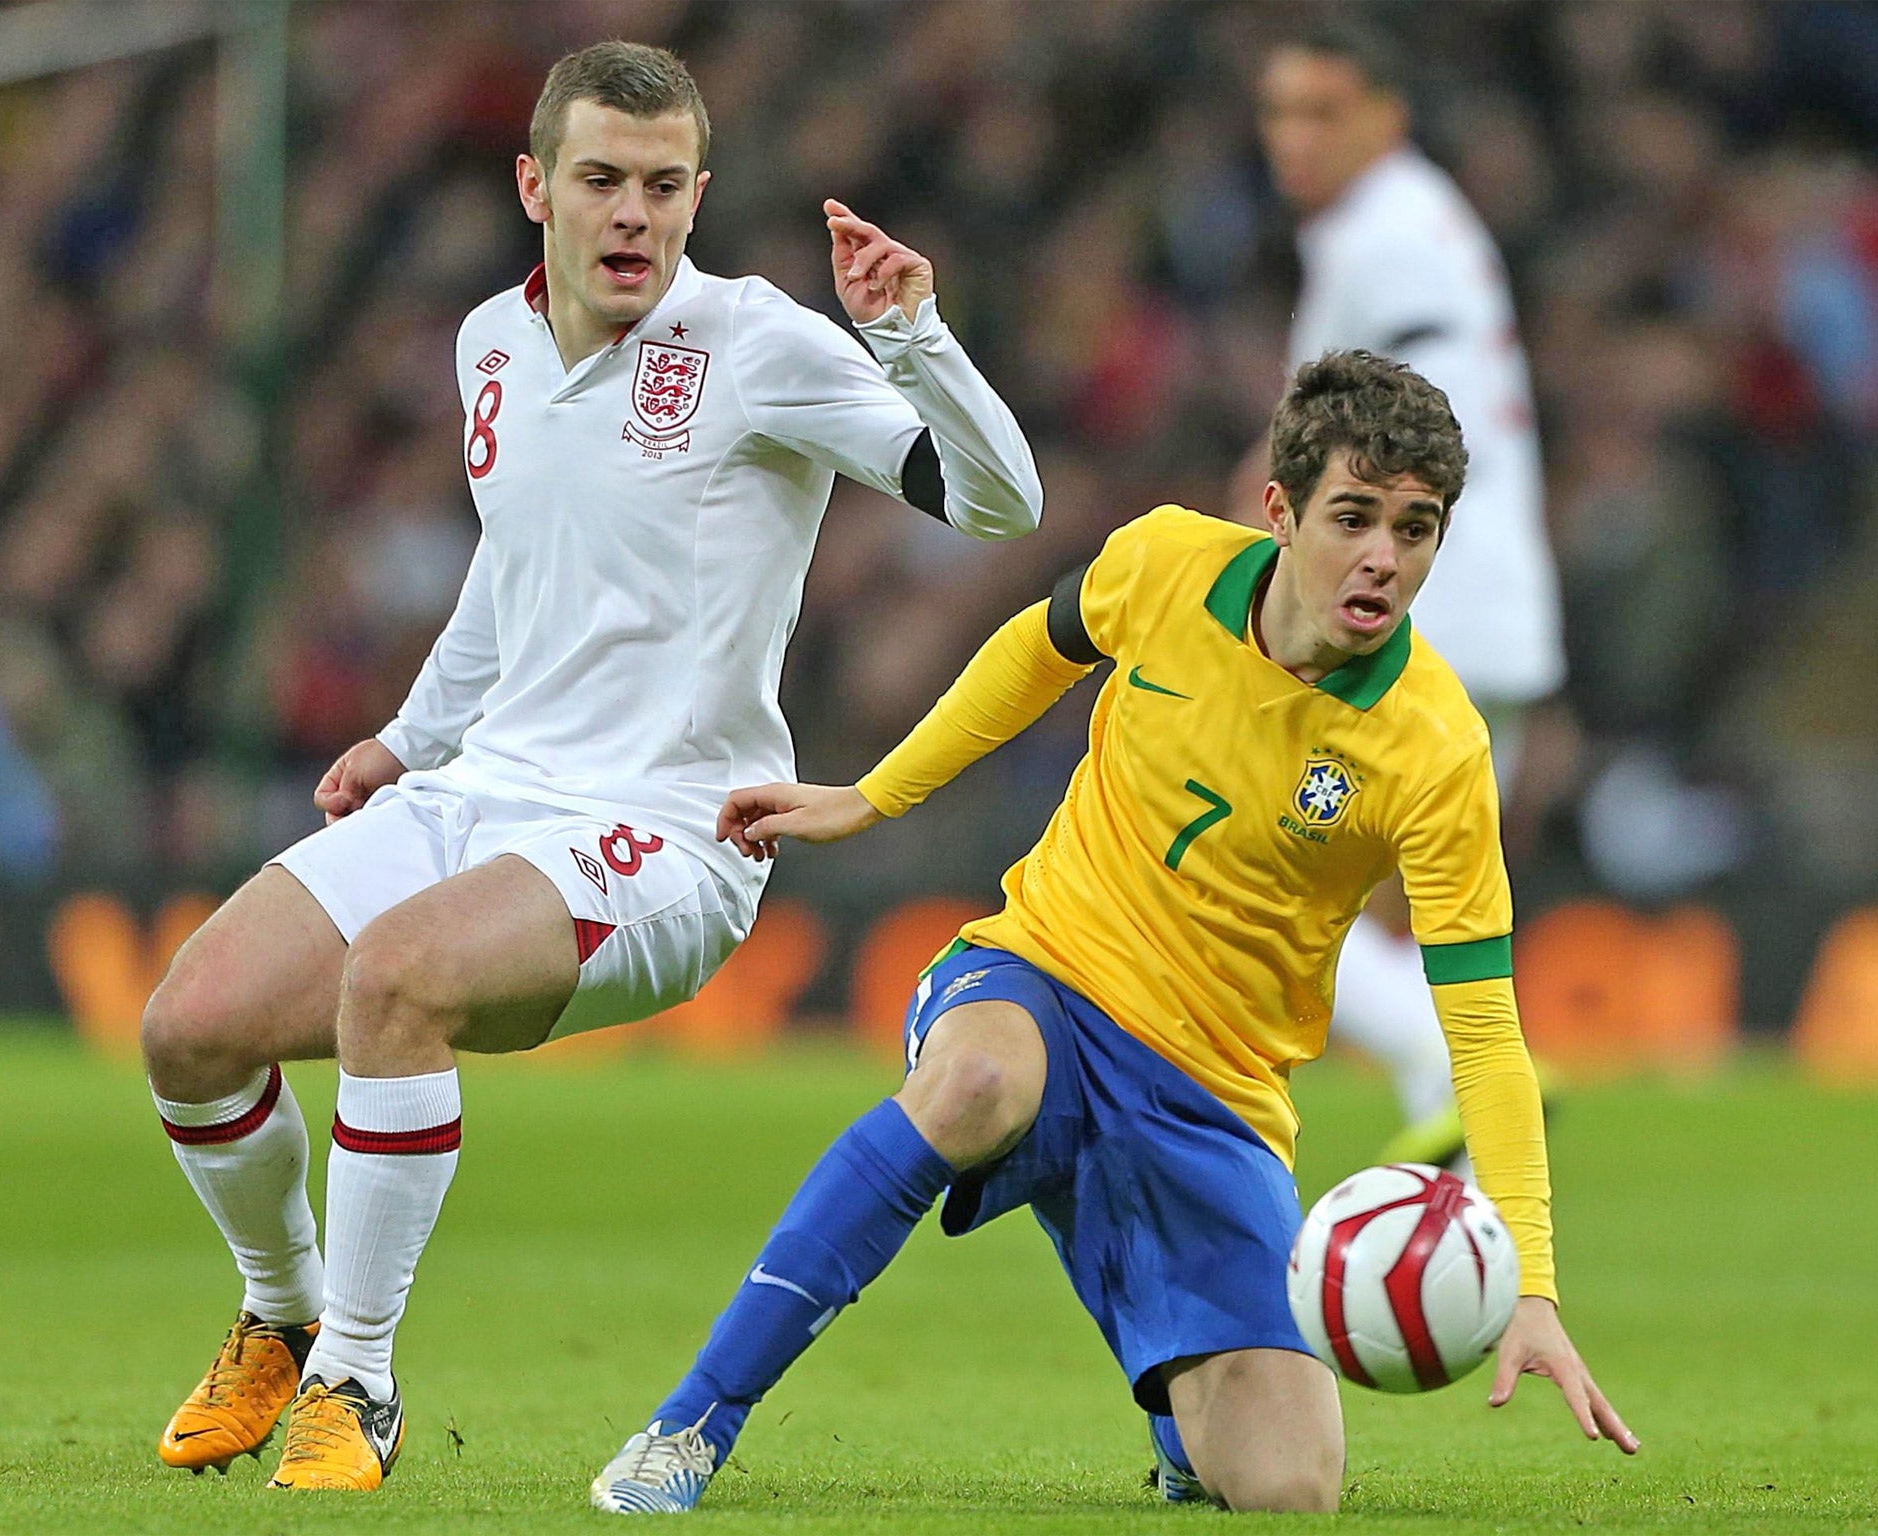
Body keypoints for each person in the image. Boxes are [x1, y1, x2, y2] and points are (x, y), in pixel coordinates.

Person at [141, 40, 1041, 1492]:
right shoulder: (487, 347)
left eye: (666, 186)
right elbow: (511, 575)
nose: (635, 215)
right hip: (477, 788)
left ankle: (357, 1386)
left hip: (667, 832)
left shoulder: (752, 341)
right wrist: (407, 740)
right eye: (604, 182)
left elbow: (1004, 504)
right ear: (535, 187)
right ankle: (285, 1315)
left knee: (396, 980)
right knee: (189, 1027)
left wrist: (914, 336)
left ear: (699, 196)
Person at [590, 352, 1635, 1516]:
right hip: (1041, 972)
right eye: (1352, 517)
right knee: (974, 1081)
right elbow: (1036, 651)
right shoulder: (1162, 564)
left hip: (1217, 1094)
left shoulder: (1434, 747)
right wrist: (872, 796)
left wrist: (1530, 1285)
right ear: (1280, 513)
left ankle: (1174, 1416)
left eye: (1415, 527)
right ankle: (691, 1423)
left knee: (1289, 1491)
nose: (1383, 558)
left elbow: (1484, 1028)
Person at [1247, 21, 1568, 1169]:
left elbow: (1320, 453)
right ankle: (1471, 1185)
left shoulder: (1379, 235)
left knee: (1265, 891)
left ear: (1385, 117)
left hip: (1409, 614)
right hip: (1491, 615)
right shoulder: (1419, 220)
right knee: (1398, 917)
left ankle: (1454, 1078)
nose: (1295, 137)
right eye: (1279, 111)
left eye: (1321, 111)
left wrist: (1229, 587)